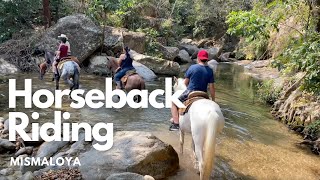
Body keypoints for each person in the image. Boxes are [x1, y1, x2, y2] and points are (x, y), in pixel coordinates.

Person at [169, 50, 215, 131]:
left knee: (173, 101)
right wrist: (213, 100)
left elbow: (185, 83)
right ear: (206, 59)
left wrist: (190, 86)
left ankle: (176, 123)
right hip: (204, 94)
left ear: (198, 58)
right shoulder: (210, 70)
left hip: (191, 91)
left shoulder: (192, 67)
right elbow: (212, 88)